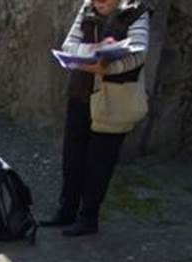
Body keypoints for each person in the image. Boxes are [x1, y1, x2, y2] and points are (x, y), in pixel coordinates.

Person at [43, 0, 152, 237]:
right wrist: (95, 50)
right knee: (73, 156)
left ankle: (88, 218)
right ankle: (66, 210)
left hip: (113, 99)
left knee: (99, 162)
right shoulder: (87, 8)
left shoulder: (137, 13)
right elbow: (69, 46)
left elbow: (138, 53)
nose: (99, 2)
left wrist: (106, 68)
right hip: (81, 94)